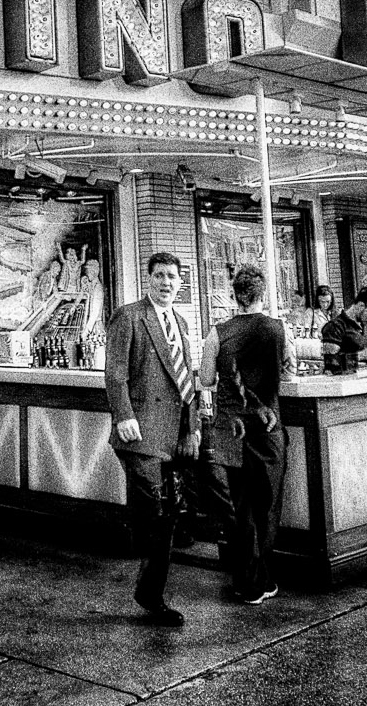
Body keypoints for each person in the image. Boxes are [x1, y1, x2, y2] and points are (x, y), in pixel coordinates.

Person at [105, 251, 201, 626]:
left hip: (174, 435)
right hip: (141, 433)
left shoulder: (179, 320)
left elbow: (186, 380)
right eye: (159, 276)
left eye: (172, 277)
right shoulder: (129, 316)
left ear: (180, 282)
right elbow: (115, 373)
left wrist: (192, 427)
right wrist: (124, 415)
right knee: (158, 516)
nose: (166, 283)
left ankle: (150, 588)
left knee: (170, 514)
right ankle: (152, 596)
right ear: (148, 279)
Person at [198, 265, 292, 605]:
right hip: (267, 428)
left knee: (239, 505)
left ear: (235, 296)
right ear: (262, 294)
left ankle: (247, 580)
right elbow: (288, 369)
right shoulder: (280, 329)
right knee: (267, 504)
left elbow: (206, 379)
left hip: (231, 430)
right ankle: (260, 578)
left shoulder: (217, 333)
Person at [321, 288, 367, 373]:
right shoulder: (334, 327)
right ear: (360, 306)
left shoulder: (366, 327)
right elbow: (330, 363)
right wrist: (359, 356)